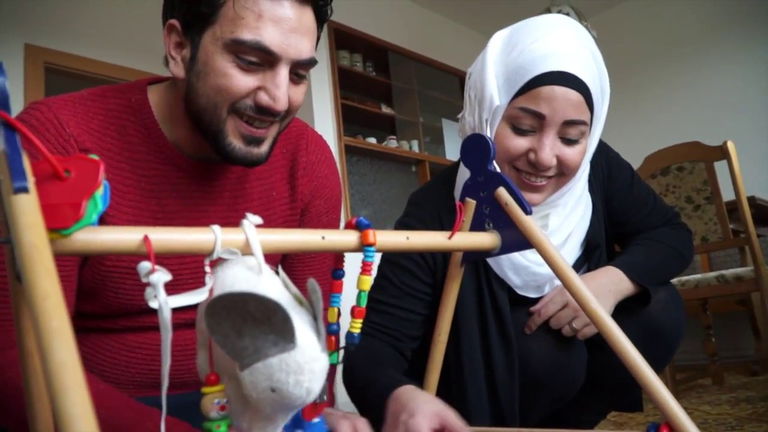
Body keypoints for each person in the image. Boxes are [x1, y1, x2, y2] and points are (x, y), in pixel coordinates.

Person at [0, 0, 371, 431]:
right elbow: (13, 360)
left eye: (298, 74)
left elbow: (310, 334)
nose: (278, 99)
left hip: (254, 412)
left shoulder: (308, 160)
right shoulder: (56, 141)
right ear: (178, 47)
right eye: (251, 62)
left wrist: (311, 412)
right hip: (91, 414)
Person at [343, 13, 692, 431]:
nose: (544, 157)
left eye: (571, 138)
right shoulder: (438, 209)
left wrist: (609, 283)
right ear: (487, 115)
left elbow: (671, 235)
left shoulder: (596, 168)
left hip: (570, 390)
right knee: (546, 355)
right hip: (474, 400)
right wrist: (400, 398)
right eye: (524, 128)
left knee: (657, 307)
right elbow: (373, 349)